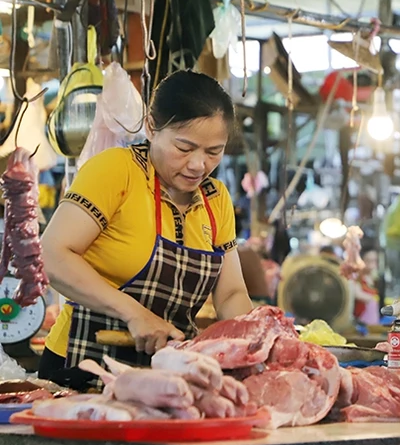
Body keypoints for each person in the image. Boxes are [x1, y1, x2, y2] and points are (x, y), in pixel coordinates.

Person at [39, 70, 253, 389]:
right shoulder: (116, 170)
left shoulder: (215, 198)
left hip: (171, 377)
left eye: (213, 152)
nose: (198, 165)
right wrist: (133, 313)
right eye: (184, 147)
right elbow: (53, 256)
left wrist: (253, 341)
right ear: (152, 128)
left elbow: (232, 292)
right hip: (84, 366)